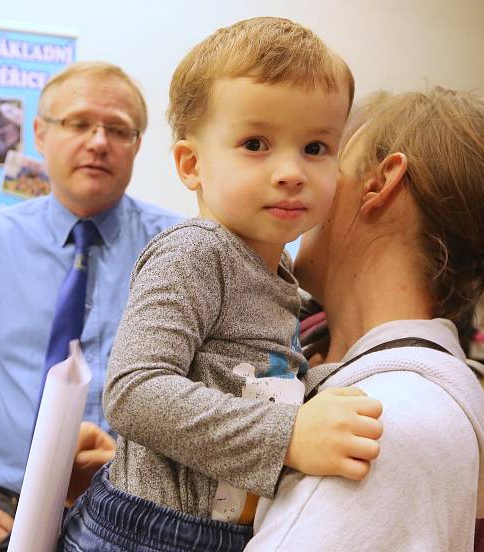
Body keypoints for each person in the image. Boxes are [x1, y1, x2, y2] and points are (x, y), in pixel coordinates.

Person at [61, 17, 383, 552]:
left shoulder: (273, 274)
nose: (291, 171)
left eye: (316, 147)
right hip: (151, 534)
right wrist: (290, 435)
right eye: (255, 143)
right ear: (191, 164)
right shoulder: (195, 251)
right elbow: (133, 392)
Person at [0, 61, 180, 552]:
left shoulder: (180, 248)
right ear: (40, 134)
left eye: (118, 129)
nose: (99, 141)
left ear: (137, 146)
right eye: (79, 123)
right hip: (8, 512)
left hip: (140, 519)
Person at [247, 87, 484, 551]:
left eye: (325, 156)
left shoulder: (381, 427)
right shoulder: (314, 347)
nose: (304, 180)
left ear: (380, 184)